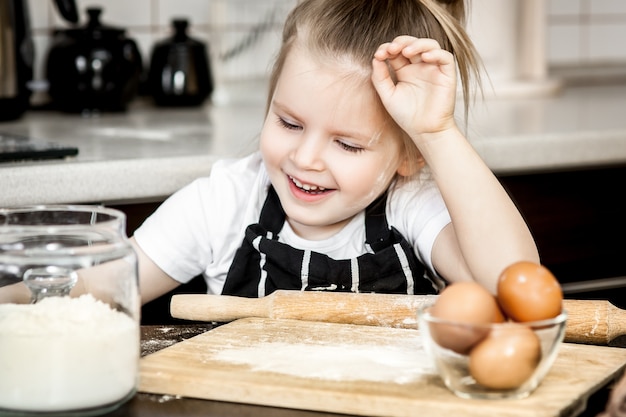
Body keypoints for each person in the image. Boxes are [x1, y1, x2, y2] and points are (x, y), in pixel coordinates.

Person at [132, 0, 540, 304]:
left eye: (348, 144)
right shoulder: (222, 205)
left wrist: (436, 133)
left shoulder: (409, 205)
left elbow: (514, 285)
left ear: (410, 157)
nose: (306, 158)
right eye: (289, 123)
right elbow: (96, 290)